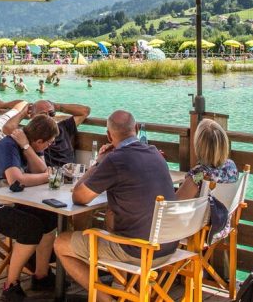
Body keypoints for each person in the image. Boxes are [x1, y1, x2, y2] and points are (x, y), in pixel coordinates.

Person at [54, 110, 178, 298]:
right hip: (168, 246)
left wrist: (98, 162)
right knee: (112, 221)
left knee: (61, 242)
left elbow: (79, 197)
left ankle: (105, 299)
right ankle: (119, 287)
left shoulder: (114, 159)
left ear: (109, 135)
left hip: (138, 251)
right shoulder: (154, 153)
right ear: (135, 129)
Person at [0, 116, 60, 301]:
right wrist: (48, 178)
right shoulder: (7, 146)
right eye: (48, 143)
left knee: (50, 217)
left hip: (9, 203)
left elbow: (41, 170)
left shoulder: (28, 145)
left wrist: (27, 147)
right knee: (30, 227)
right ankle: (10, 285)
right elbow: (16, 180)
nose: (49, 146)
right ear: (39, 140)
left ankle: (41, 275)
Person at [5, 99, 91, 168]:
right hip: (46, 175)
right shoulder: (29, 133)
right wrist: (22, 113)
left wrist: (55, 106)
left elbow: (85, 111)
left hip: (68, 173)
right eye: (43, 114)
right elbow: (7, 128)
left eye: (51, 114)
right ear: (32, 116)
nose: (48, 117)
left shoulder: (63, 127)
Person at [175, 119, 237, 199]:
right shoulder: (231, 166)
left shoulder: (199, 174)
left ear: (199, 145)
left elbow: (175, 205)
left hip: (203, 211)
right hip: (224, 211)